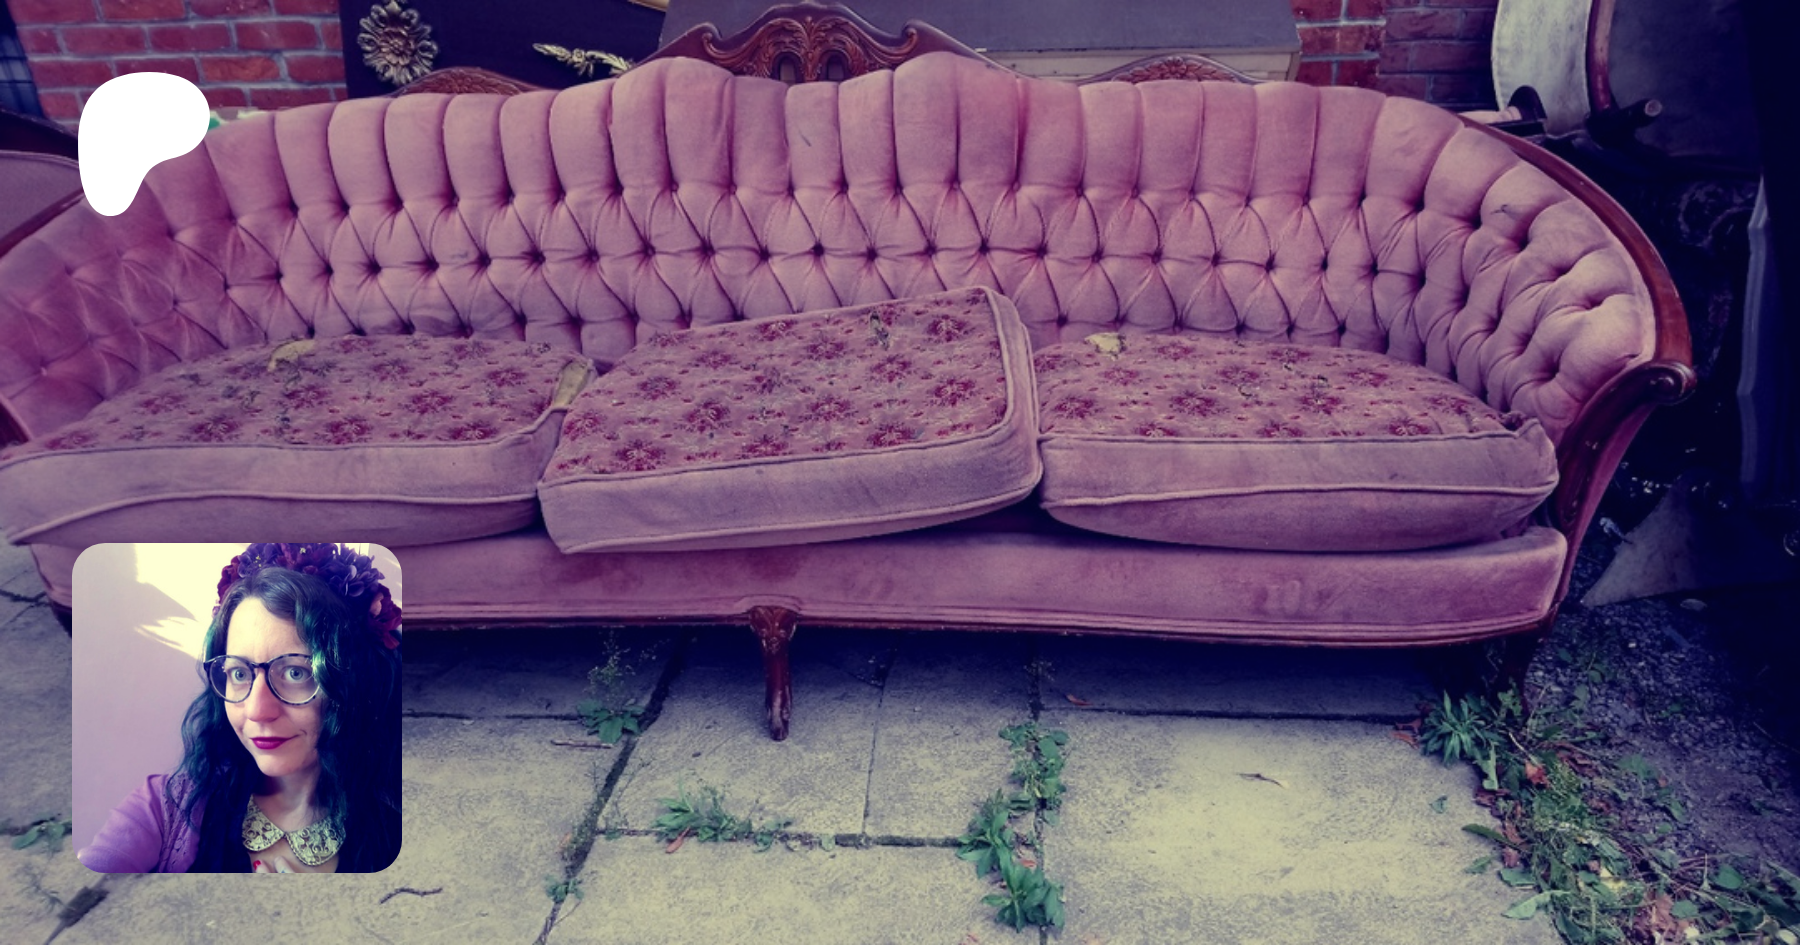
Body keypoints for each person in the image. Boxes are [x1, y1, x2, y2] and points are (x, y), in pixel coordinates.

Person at [78, 543, 403, 873]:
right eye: (239, 673)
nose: (256, 711)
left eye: (296, 672)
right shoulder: (163, 807)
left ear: (352, 681)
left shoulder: (398, 828)